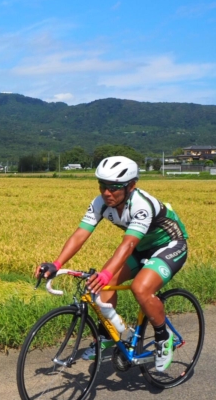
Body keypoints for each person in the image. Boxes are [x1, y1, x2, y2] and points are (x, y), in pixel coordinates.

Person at [35, 156, 188, 372]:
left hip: (170, 245)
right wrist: (57, 263)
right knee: (100, 286)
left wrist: (106, 274)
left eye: (114, 187)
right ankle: (110, 335)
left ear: (131, 186)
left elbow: (127, 245)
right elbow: (80, 234)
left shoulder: (141, 205)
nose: (107, 192)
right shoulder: (100, 203)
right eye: (102, 186)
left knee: (140, 288)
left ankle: (164, 337)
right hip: (141, 247)